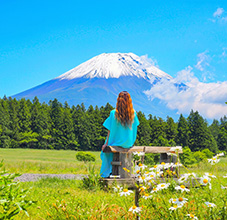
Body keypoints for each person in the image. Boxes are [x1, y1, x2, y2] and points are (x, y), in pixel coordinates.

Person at [100, 91, 140, 178]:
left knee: (106, 152)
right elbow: (135, 127)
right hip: (128, 143)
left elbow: (109, 130)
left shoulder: (113, 113)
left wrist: (106, 144)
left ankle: (106, 173)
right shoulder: (133, 113)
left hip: (116, 142)